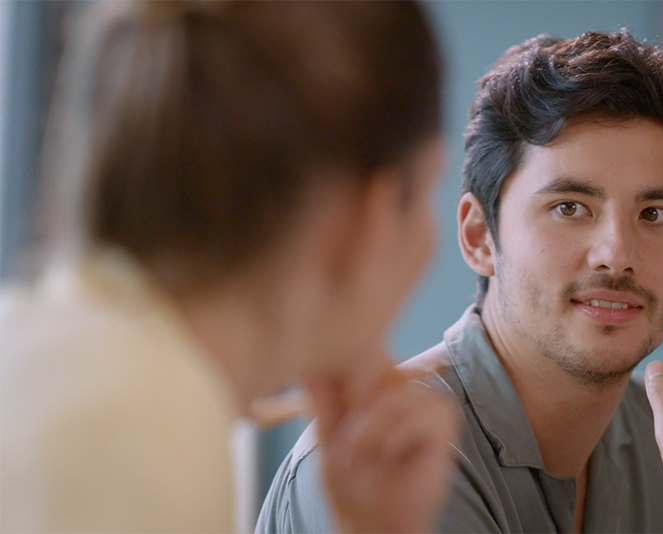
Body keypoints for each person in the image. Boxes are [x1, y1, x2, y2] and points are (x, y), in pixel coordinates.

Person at [259, 28, 663, 534]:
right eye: (570, 207)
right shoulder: (382, 466)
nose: (617, 255)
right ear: (479, 236)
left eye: (655, 214)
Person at [0, 0, 458, 533]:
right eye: (430, 189)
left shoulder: (70, 353)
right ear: (372, 215)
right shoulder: (137, 430)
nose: (430, 241)